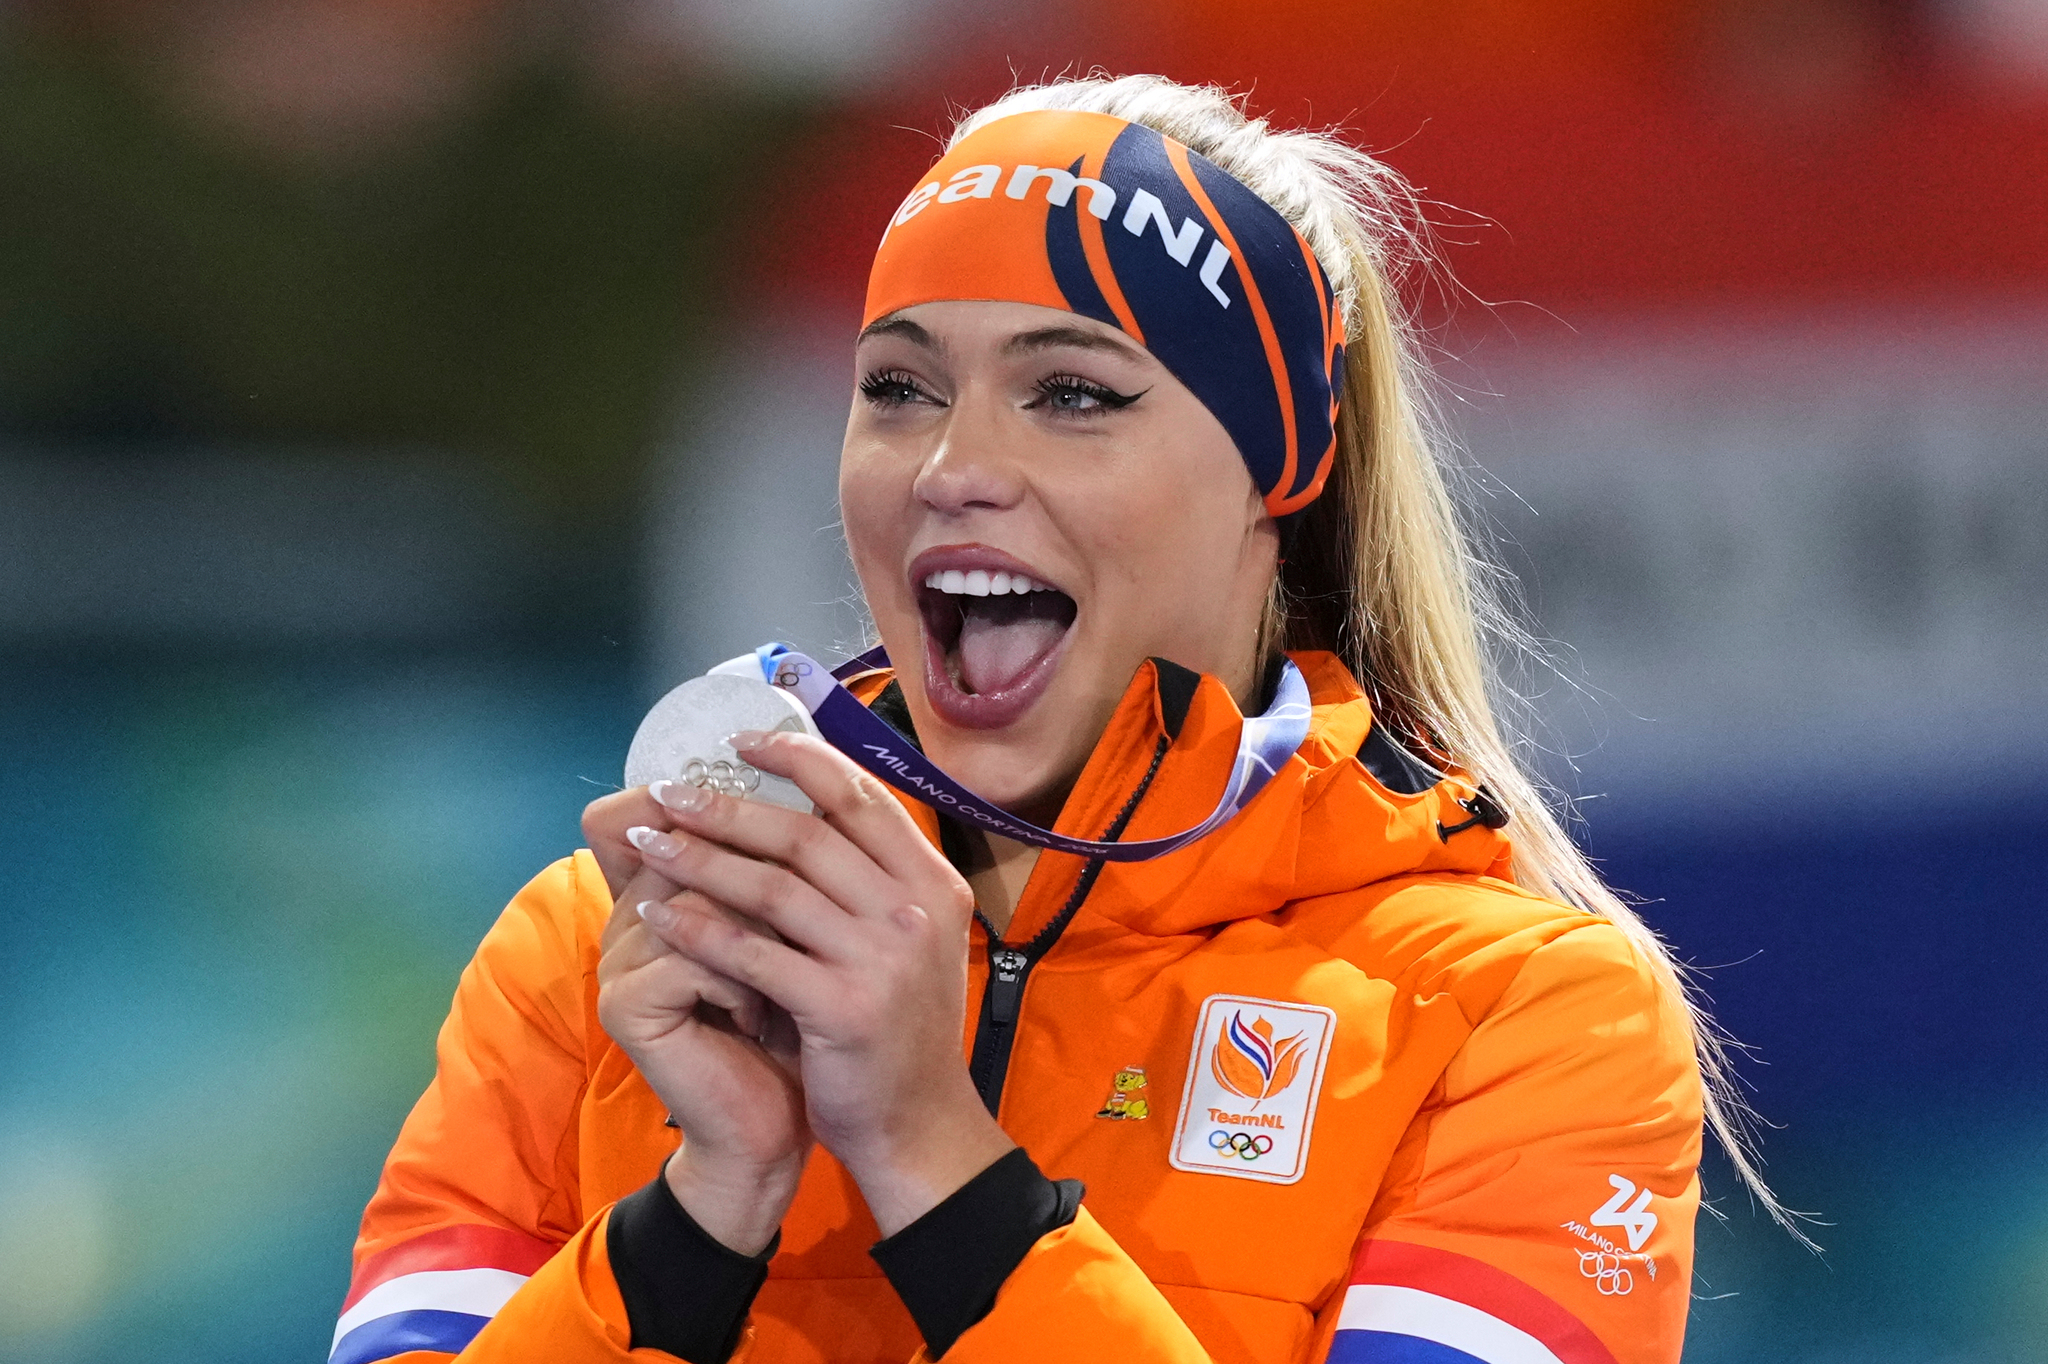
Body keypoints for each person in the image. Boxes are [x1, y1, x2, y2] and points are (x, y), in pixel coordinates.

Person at [328, 75, 1773, 1364]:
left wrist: (932, 1156)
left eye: (1071, 392)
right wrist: (694, 1225)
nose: (951, 466)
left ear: (1280, 468)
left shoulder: (1520, 1015)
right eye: (898, 389)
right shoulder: (599, 958)